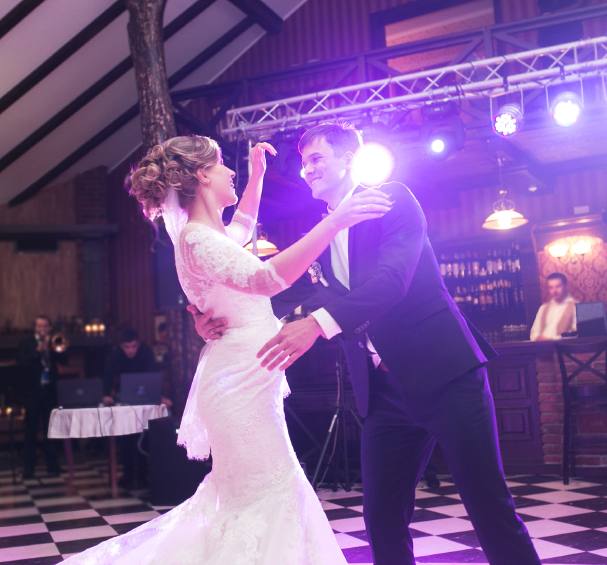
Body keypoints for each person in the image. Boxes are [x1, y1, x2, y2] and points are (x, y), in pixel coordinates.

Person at [193, 122, 540, 565]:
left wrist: (317, 324)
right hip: (383, 396)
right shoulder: (324, 231)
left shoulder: (391, 200)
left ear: (348, 160)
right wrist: (214, 314)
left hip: (445, 376)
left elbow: (391, 282)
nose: (307, 170)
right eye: (303, 163)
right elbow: (280, 292)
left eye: (317, 158)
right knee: (381, 516)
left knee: (489, 507)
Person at [60, 135, 389, 564]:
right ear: (201, 175)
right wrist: (333, 223)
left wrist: (256, 176)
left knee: (265, 494)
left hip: (247, 378)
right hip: (238, 385)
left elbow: (243, 227)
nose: (230, 172)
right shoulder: (197, 239)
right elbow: (268, 279)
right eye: (223, 166)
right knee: (265, 494)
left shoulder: (207, 235)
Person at [102, 328, 167, 488]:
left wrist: (160, 395)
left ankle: (144, 474)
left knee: (143, 436)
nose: (130, 350)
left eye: (133, 347)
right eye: (127, 347)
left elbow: (153, 373)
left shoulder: (145, 350)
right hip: (123, 396)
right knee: (125, 436)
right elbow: (108, 373)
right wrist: (105, 394)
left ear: (138, 344)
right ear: (121, 346)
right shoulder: (116, 352)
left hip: (144, 395)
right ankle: (128, 473)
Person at [18, 316, 67, 479]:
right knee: (30, 430)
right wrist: (38, 350)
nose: (42, 329)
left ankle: (53, 465)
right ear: (35, 328)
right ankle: (28, 467)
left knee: (51, 429)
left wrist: (57, 349)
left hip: (50, 391)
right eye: (39, 326)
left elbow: (65, 361)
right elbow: (21, 362)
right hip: (32, 391)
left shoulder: (55, 342)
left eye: (45, 326)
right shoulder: (26, 342)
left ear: (49, 328)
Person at [530, 272, 577, 341]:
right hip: (543, 349)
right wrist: (539, 338)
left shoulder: (575, 307)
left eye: (558, 286)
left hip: (566, 350)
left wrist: (551, 340)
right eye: (551, 287)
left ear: (565, 286)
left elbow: (575, 334)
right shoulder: (543, 308)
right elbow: (533, 334)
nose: (554, 291)